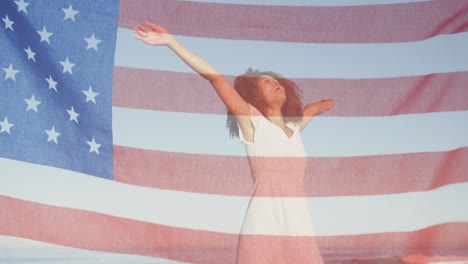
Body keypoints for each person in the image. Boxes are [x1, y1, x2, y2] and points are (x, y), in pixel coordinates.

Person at [134, 21, 334, 264]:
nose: (275, 82)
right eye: (266, 82)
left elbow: (312, 108)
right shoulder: (252, 122)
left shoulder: (293, 126)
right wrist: (172, 43)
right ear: (255, 95)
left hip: (300, 231)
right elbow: (216, 79)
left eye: (276, 80)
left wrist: (333, 101)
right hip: (262, 229)